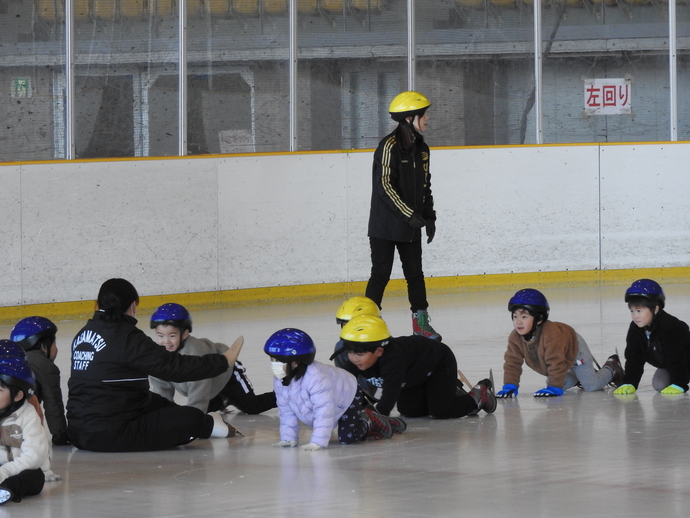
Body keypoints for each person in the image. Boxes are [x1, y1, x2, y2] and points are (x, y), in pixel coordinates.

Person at [66, 278, 243, 452]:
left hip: (77, 430)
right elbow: (175, 367)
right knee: (192, 419)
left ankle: (204, 421)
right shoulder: (128, 337)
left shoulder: (83, 334)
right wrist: (222, 360)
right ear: (133, 306)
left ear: (98, 305)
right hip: (109, 434)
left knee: (161, 403)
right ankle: (211, 425)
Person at [365, 91, 441, 341]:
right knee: (381, 274)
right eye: (423, 114)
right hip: (384, 226)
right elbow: (385, 186)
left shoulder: (422, 149)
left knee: (415, 274)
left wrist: (429, 216)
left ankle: (421, 324)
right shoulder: (388, 146)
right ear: (409, 118)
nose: (427, 119)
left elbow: (425, 185)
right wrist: (410, 215)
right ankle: (364, 323)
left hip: (411, 225)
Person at [265, 328, 404, 451]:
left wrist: (318, 442)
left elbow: (323, 410)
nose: (274, 366)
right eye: (272, 360)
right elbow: (286, 409)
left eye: (278, 361)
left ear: (295, 362)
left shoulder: (316, 378)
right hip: (335, 395)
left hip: (348, 392)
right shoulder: (280, 380)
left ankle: (369, 420)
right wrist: (288, 438)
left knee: (347, 438)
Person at [335, 315, 496, 418]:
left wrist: (376, 417)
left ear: (378, 351)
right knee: (410, 411)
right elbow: (343, 385)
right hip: (416, 375)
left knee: (441, 411)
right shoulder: (358, 357)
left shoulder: (393, 359)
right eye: (350, 352)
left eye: (359, 354)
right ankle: (446, 392)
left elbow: (390, 395)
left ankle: (477, 395)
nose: (353, 359)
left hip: (439, 364)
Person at [149, 303, 276, 414]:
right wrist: (163, 414)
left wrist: (192, 422)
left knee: (252, 407)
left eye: (172, 335)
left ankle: (287, 395)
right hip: (210, 383)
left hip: (227, 372)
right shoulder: (159, 356)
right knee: (201, 408)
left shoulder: (194, 353)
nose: (166, 342)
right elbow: (162, 389)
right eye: (160, 335)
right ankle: (224, 399)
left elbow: (199, 393)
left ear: (185, 333)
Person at [496, 288, 624, 399]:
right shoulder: (515, 338)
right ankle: (579, 375)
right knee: (556, 382)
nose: (518, 322)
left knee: (591, 385)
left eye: (524, 317)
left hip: (575, 351)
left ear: (539, 319)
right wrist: (510, 385)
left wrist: (554, 387)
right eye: (515, 317)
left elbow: (555, 362)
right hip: (561, 360)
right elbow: (512, 362)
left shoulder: (551, 334)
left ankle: (612, 367)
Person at [613, 279, 690, 395]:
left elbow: (678, 358)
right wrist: (630, 382)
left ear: (656, 309)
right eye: (632, 311)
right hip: (673, 365)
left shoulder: (670, 327)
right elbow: (634, 358)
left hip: (684, 361)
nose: (635, 316)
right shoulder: (635, 329)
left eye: (639, 311)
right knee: (659, 384)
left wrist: (679, 383)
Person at [0, 340, 51, 506]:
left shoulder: (28, 416)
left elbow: (34, 457)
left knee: (35, 477)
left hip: (20, 469)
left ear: (18, 395)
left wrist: (6, 471)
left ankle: (7, 490)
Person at [10, 316, 69, 445]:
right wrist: (60, 435)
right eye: (54, 343)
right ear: (43, 345)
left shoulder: (12, 362)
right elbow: (53, 402)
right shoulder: (44, 366)